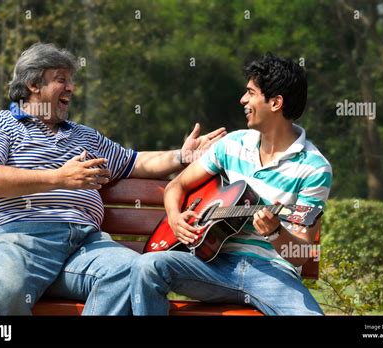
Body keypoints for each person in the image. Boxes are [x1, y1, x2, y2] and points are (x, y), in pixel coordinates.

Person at [0, 42, 226, 315]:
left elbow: (136, 162)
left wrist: (182, 156)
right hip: (13, 240)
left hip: (83, 246)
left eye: (71, 81)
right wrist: (60, 178)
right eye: (61, 80)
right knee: (8, 288)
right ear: (33, 84)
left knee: (133, 271)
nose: (71, 88)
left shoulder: (85, 136)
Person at [130, 53, 332, 315]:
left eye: (250, 92)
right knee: (147, 267)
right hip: (214, 265)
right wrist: (176, 218)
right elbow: (176, 186)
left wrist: (275, 232)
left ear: (275, 102)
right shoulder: (232, 144)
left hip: (273, 273)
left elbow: (300, 253)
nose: (243, 100)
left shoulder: (315, 167)